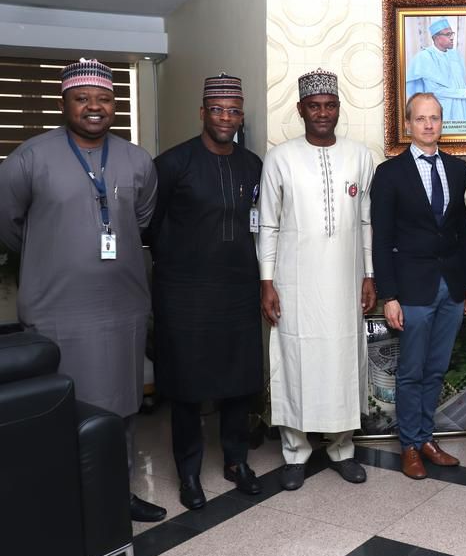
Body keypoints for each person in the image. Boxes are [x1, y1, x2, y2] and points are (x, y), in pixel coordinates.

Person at [0, 59, 165, 522]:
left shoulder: (136, 159)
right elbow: (10, 226)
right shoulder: (29, 158)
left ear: (115, 104)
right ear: (64, 103)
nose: (95, 106)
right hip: (57, 310)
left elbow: (142, 219)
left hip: (122, 308)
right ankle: (62, 504)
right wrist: (54, 253)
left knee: (123, 405)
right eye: (82, 98)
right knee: (59, 406)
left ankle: (119, 494)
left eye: (105, 98)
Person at [147, 73, 264, 509]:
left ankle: (236, 461)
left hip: (238, 288)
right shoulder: (172, 163)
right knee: (187, 385)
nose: (225, 118)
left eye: (233, 111)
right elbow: (150, 225)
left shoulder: (252, 164)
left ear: (241, 116)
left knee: (238, 379)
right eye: (217, 110)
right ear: (202, 113)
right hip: (185, 292)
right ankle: (189, 472)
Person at [258, 68, 377, 491]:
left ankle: (343, 448)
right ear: (300, 109)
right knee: (295, 359)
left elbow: (366, 221)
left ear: (339, 108)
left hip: (345, 281)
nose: (322, 113)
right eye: (314, 106)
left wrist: (369, 274)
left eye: (329, 106)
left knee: (343, 359)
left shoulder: (360, 156)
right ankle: (296, 452)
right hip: (294, 283)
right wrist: (267, 281)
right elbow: (268, 224)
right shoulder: (280, 158)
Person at [370, 92, 466, 479]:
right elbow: (381, 240)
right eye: (420, 118)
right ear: (408, 124)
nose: (429, 124)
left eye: (434, 118)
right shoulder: (389, 173)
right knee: (411, 370)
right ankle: (409, 446)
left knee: (436, 369)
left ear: (442, 122)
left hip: (452, 287)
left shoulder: (458, 169)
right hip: (412, 288)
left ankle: (426, 437)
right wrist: (389, 295)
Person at [406, 18, 466, 121]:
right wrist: (465, 93)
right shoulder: (425, 57)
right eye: (448, 34)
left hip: (463, 107)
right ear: (436, 37)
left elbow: (460, 83)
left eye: (452, 34)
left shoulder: (455, 54)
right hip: (443, 110)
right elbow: (434, 91)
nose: (452, 38)